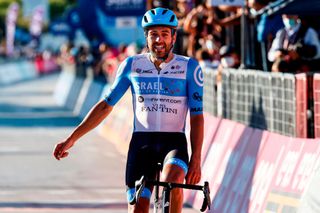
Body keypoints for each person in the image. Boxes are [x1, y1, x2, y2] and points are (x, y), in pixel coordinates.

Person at [53, 7, 204, 213]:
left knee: (173, 183)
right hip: (142, 143)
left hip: (173, 142)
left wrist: (196, 159)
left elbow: (197, 117)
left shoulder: (189, 67)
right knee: (138, 208)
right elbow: (106, 105)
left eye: (164, 34)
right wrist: (72, 138)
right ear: (146, 37)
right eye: (153, 35)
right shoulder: (132, 65)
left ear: (174, 37)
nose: (159, 40)